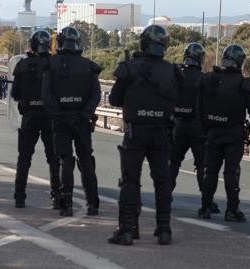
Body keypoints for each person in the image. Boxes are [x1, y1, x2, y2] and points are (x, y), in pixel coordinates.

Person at [107, 25, 180, 246]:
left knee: (130, 181)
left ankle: (127, 230)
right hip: (161, 132)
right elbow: (178, 99)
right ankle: (164, 228)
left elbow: (114, 100)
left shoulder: (130, 68)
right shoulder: (172, 70)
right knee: (162, 181)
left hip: (135, 132)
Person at [42, 26, 101, 217]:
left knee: (65, 161)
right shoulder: (88, 65)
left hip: (61, 120)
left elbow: (46, 95)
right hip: (82, 120)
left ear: (60, 42)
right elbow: (96, 95)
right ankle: (92, 203)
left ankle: (66, 203)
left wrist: (59, 113)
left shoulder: (51, 64)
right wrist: (85, 114)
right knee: (86, 160)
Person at [198, 44, 250, 222]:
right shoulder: (243, 83)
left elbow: (199, 106)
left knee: (210, 171)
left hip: (213, 133)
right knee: (231, 172)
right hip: (233, 134)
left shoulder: (210, 78)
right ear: (240, 61)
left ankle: (205, 207)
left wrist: (204, 127)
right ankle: (232, 210)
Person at [11, 31, 60, 209]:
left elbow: (14, 94)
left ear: (32, 45)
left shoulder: (23, 65)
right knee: (54, 158)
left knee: (24, 158)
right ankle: (57, 195)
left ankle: (19, 196)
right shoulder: (55, 63)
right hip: (50, 117)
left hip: (29, 116)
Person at [168, 43, 219, 214]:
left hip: (177, 125)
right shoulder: (203, 78)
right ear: (200, 58)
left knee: (173, 163)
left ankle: (165, 195)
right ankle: (207, 201)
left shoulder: (175, 75)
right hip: (198, 127)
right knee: (203, 165)